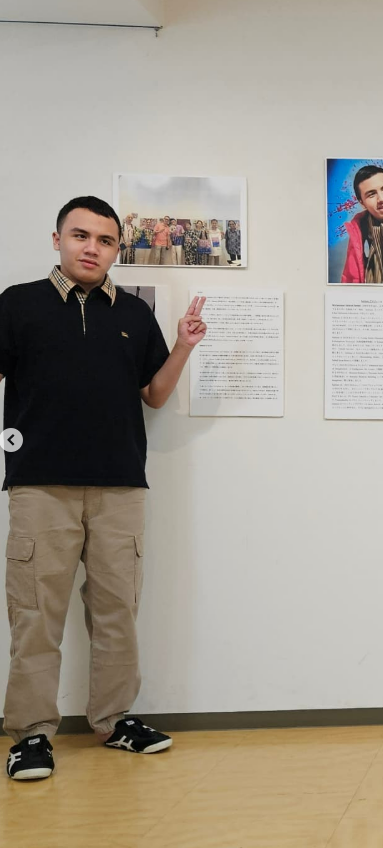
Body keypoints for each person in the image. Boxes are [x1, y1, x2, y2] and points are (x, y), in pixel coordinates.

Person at [1, 196, 207, 780]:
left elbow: (155, 395)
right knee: (35, 614)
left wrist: (184, 345)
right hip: (41, 486)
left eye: (105, 240)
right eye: (80, 236)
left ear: (118, 248)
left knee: (118, 611)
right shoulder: (18, 304)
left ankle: (114, 721)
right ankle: (31, 734)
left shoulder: (135, 314)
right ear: (58, 239)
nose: (92, 248)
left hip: (121, 487)